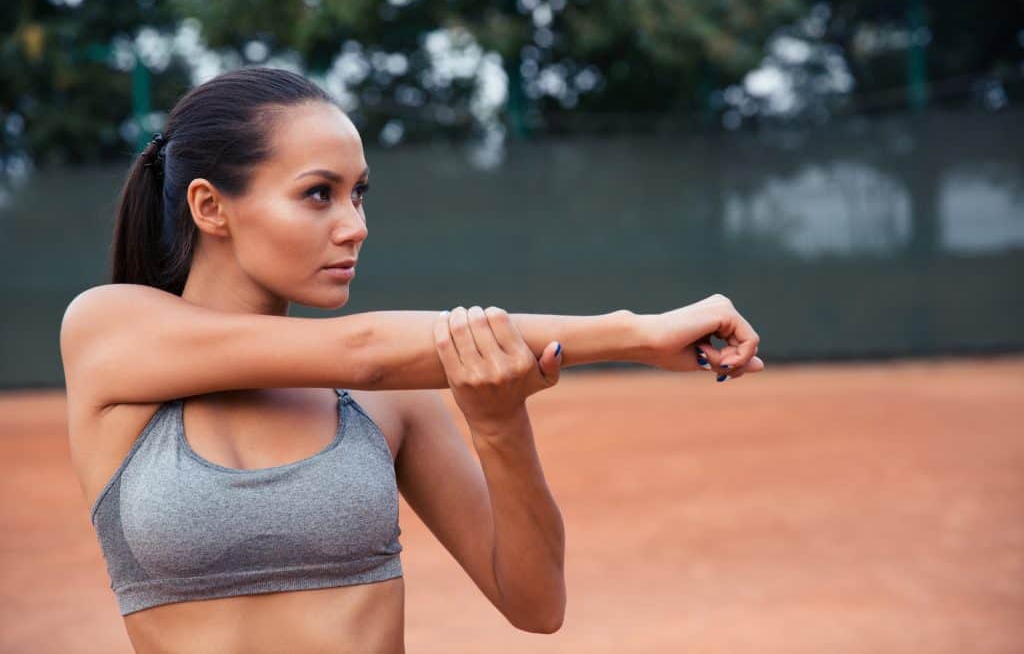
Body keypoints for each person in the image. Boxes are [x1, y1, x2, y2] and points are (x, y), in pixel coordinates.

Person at [58, 66, 764, 653]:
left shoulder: (393, 396)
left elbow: (537, 603)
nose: (355, 226)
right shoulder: (109, 329)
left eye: (358, 193)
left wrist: (498, 423)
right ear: (211, 206)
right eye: (318, 194)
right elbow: (361, 350)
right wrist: (633, 333)